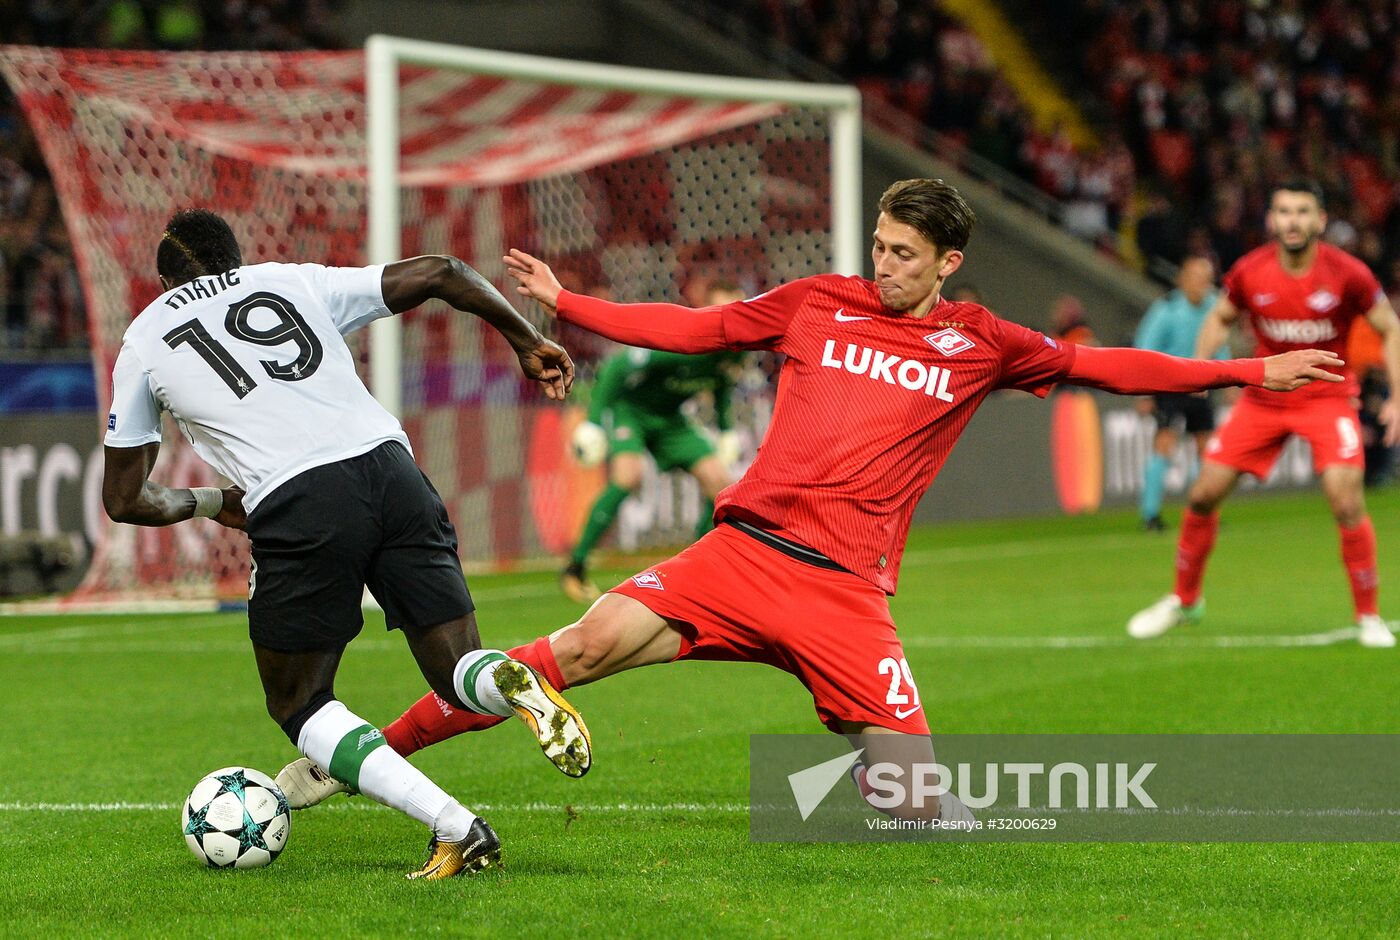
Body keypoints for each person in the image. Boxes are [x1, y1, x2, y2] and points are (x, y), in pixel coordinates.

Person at [278, 178, 1340, 823]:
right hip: (738, 554)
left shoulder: (980, 341)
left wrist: (1246, 377)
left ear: (947, 263)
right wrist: (573, 304)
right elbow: (696, 331)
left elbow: (1107, 365)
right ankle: (357, 760)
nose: (879, 265)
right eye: (877, 245)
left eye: (901, 254)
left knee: (913, 807)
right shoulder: (813, 304)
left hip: (844, 594)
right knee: (570, 650)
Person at [101, 209, 591, 879]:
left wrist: (216, 503)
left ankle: (458, 828)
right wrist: (525, 337)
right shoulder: (288, 281)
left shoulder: (146, 337)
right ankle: (505, 679)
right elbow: (442, 272)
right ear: (238, 257)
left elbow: (124, 498)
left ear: (163, 280)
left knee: (300, 703)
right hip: (393, 472)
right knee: (455, 668)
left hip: (300, 499)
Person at [1127, 180, 1400, 647]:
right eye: (1283, 212)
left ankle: (1368, 614)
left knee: (1345, 498)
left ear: (1319, 220)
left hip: (1327, 396)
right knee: (1202, 494)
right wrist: (1202, 371)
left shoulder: (1349, 273)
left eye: (1302, 212)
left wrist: (1396, 396)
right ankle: (1184, 600)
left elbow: (1390, 327)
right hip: (1265, 396)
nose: (1292, 221)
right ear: (1271, 220)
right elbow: (1219, 318)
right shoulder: (1250, 272)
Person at [561, 279, 746, 602]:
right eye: (718, 310)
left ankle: (696, 570)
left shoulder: (735, 351)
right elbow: (618, 367)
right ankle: (575, 566)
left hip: (671, 419)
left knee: (720, 482)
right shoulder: (684, 344)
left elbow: (721, 388)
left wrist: (726, 429)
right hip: (631, 411)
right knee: (628, 475)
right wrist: (593, 423)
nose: (725, 317)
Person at [1133, 255, 1226, 530]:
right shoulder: (1167, 310)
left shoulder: (1214, 307)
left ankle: (1203, 510)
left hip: (1202, 386)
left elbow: (1220, 344)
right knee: (1164, 443)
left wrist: (1232, 379)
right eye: (1197, 277)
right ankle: (1150, 514)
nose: (1202, 284)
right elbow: (1144, 348)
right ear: (1183, 279)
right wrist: (1145, 392)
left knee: (1205, 448)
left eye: (1206, 279)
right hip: (1170, 385)